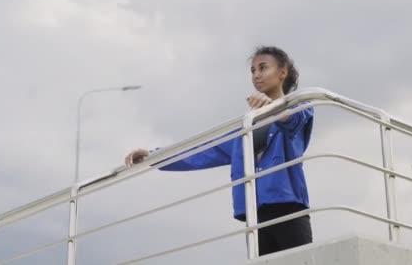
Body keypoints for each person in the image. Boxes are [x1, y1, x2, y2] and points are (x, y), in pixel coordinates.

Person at [124, 46, 314, 256]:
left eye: (263, 68)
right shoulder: (245, 127)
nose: (256, 75)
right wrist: (153, 156)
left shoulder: (300, 104)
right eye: (253, 70)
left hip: (288, 208)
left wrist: (274, 108)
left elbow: (294, 120)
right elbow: (201, 152)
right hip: (255, 214)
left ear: (282, 72)